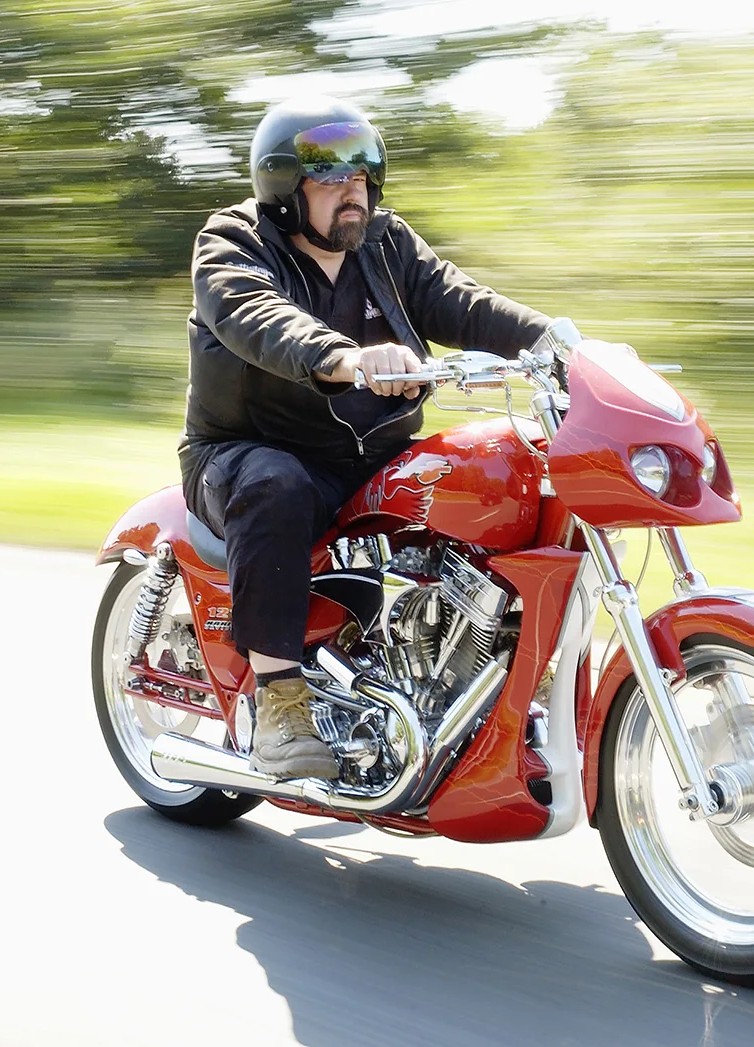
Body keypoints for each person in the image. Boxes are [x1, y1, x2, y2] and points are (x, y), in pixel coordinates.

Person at [182, 95, 553, 778]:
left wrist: (559, 341)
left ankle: (501, 675)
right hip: (246, 452)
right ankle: (281, 705)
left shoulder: (386, 242)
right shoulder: (232, 241)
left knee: (508, 468)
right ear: (285, 189)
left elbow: (460, 301)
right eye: (331, 180)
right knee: (275, 484)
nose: (353, 193)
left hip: (374, 453)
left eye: (361, 178)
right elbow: (256, 316)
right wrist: (346, 357)